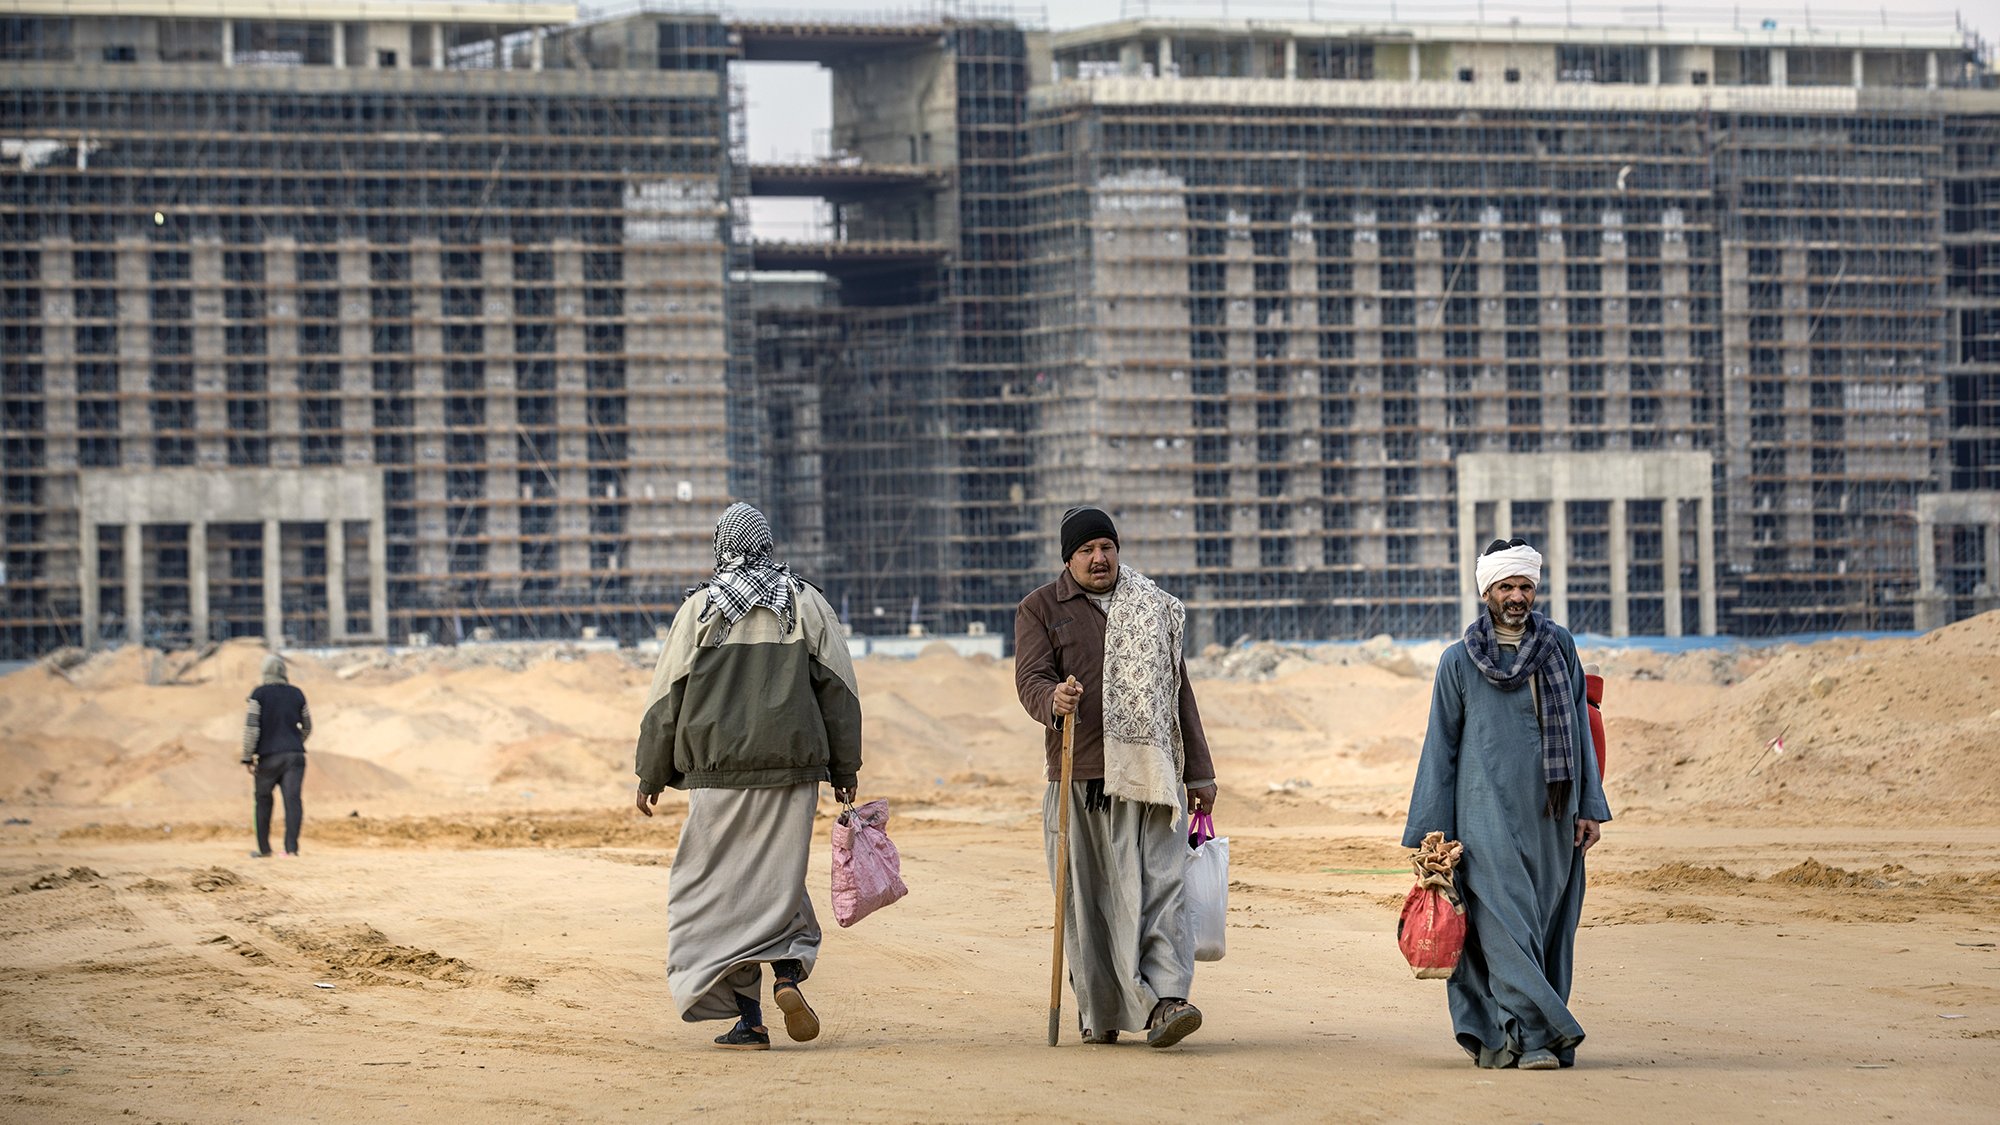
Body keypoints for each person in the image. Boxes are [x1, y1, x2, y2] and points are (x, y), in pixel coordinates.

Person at [633, 502, 862, 1051]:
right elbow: (840, 689)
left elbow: (667, 696)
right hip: (793, 770)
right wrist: (844, 768)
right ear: (767, 544)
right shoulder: (805, 602)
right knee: (778, 878)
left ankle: (750, 1020)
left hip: (716, 775)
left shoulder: (700, 609)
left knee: (720, 890)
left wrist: (650, 773)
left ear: (721, 547)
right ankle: (786, 975)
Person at [1014, 505, 1218, 1048]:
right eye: (1086, 550)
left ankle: (1169, 1000)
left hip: (1153, 774)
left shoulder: (1153, 605)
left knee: (1162, 887)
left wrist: (1200, 773)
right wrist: (1053, 699)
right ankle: (1101, 1009)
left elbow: (1178, 692)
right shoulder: (1040, 608)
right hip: (1080, 776)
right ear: (1069, 559)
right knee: (1090, 900)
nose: (1099, 558)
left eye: (1106, 547)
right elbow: (1030, 679)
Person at [1403, 538, 1611, 1069]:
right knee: (1502, 930)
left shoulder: (1559, 647)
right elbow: (1440, 747)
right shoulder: (1458, 661)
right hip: (1483, 819)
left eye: (1524, 586)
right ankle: (1538, 1038)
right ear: (1486, 592)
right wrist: (1431, 832)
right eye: (1505, 587)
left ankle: (1518, 1037)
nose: (1517, 596)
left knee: (1546, 928)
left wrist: (1590, 805)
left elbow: (1581, 730)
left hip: (1554, 817)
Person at [241, 653, 311, 858]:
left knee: (263, 800)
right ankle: (291, 849)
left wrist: (248, 756)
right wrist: (295, 741)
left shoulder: (259, 694)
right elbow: (307, 726)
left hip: (268, 757)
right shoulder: (297, 693)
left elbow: (251, 728)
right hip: (295, 757)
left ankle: (264, 850)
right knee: (293, 800)